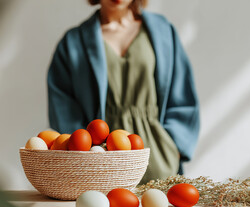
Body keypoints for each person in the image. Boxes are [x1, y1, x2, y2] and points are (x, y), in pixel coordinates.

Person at [47, 0, 200, 183]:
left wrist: (175, 147)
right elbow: (63, 107)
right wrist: (83, 155)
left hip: (160, 163)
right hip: (100, 167)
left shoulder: (163, 31)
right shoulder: (73, 42)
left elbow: (182, 95)